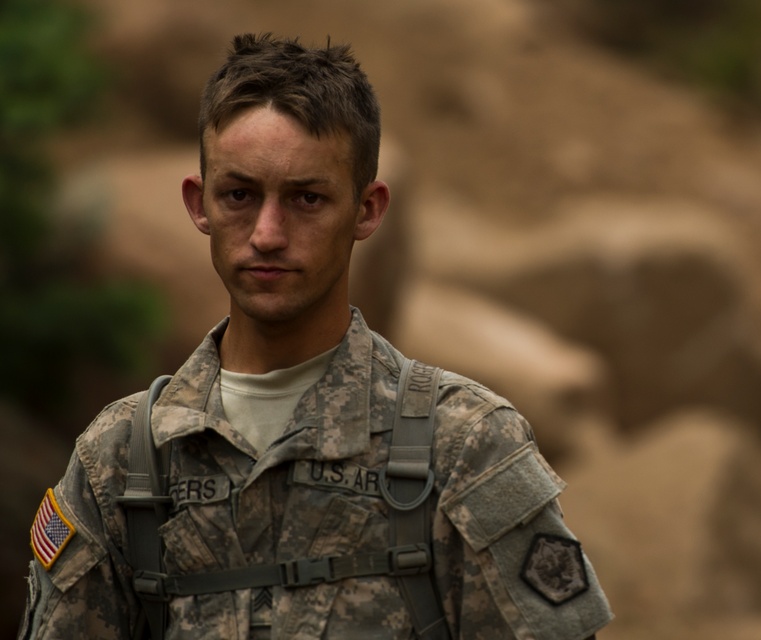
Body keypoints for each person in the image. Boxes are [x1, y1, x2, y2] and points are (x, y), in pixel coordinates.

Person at [19, 33, 613, 639]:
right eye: (240, 195)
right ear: (199, 205)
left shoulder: (463, 447)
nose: (268, 233)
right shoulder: (121, 461)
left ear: (368, 210)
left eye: (307, 198)